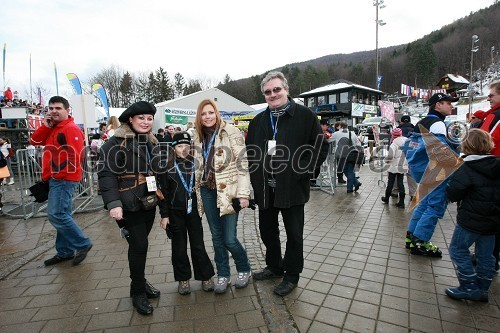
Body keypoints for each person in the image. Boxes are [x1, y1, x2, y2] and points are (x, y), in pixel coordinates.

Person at [246, 71, 323, 296]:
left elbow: (320, 148)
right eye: (268, 92)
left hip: (292, 189)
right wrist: (254, 176)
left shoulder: (306, 116)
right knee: (267, 231)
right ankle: (275, 266)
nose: (273, 94)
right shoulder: (259, 120)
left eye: (277, 89)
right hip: (265, 190)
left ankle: (291, 275)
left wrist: (303, 173)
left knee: (294, 235)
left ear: (286, 90)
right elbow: (251, 152)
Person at [98, 101, 161, 315]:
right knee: (139, 246)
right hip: (128, 205)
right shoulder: (115, 144)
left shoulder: (152, 141)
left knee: (139, 246)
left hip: (149, 203)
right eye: (141, 118)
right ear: (130, 120)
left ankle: (140, 282)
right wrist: (113, 204)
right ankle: (137, 292)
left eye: (149, 118)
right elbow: (106, 175)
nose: (145, 122)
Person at [192, 98, 252, 294]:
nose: (207, 117)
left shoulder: (231, 132)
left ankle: (244, 269)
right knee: (216, 237)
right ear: (199, 117)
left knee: (229, 239)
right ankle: (223, 274)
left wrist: (244, 194)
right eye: (203, 114)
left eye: (210, 112)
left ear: (216, 113)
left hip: (228, 192)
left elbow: (243, 165)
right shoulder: (197, 137)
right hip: (207, 191)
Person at [29, 96, 93, 266]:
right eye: (51, 108)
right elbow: (34, 141)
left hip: (63, 179)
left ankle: (82, 244)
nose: (53, 111)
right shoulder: (53, 127)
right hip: (56, 178)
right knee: (63, 214)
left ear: (67, 110)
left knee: (56, 215)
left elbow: (76, 155)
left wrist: (59, 175)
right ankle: (64, 251)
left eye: (58, 108)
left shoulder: (70, 129)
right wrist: (45, 126)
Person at [445, 129, 500, 302]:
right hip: (493, 220)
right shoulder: (497, 164)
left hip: (470, 219)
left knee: (457, 249)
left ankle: (469, 285)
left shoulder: (466, 167)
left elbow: (454, 193)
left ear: (466, 144)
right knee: (486, 254)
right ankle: (483, 288)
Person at [158, 131, 215, 295]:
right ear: (173, 148)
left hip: (193, 212)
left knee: (198, 244)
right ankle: (183, 279)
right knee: (179, 247)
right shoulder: (166, 166)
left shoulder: (197, 164)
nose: (183, 149)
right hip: (175, 213)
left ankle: (205, 276)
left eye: (187, 146)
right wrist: (164, 215)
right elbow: (163, 194)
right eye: (179, 146)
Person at [404, 92, 459, 257]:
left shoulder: (421, 122)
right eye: (447, 103)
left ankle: (412, 237)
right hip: (435, 170)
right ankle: (421, 242)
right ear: (438, 105)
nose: (451, 105)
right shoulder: (438, 124)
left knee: (423, 203)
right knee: (434, 206)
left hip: (421, 170)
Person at [475, 80, 500, 273]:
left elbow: (481, 142)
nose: (488, 98)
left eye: (491, 95)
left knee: (489, 218)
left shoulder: (495, 116)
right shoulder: (491, 115)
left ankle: (488, 260)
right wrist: (481, 116)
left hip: (490, 171)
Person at [330, 121, 363, 193]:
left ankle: (353, 186)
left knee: (344, 170)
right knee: (350, 171)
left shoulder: (336, 134)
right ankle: (353, 185)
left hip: (341, 156)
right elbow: (358, 144)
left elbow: (329, 140)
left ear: (340, 127)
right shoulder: (352, 134)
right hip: (352, 155)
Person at [381, 128, 407, 208]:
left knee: (390, 182)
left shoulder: (394, 144)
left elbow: (390, 156)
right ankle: (402, 201)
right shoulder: (407, 142)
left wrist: (385, 161)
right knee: (400, 183)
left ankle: (386, 198)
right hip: (403, 165)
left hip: (394, 166)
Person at [311, 119, 331, 186]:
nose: (327, 127)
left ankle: (313, 181)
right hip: (314, 154)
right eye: (326, 125)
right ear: (321, 125)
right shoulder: (315, 132)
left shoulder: (324, 132)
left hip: (319, 154)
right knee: (315, 168)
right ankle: (311, 181)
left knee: (317, 168)